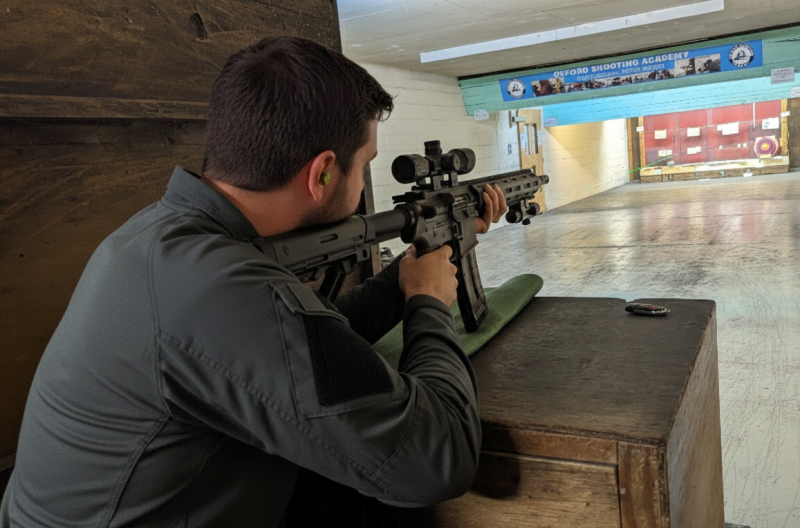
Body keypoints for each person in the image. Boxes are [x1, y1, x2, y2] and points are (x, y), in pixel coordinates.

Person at [0, 36, 508, 527]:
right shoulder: (217, 289)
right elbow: (439, 460)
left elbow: (302, 347)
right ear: (323, 173)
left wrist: (402, 279)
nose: (362, 183)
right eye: (365, 166)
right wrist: (429, 303)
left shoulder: (159, 238)